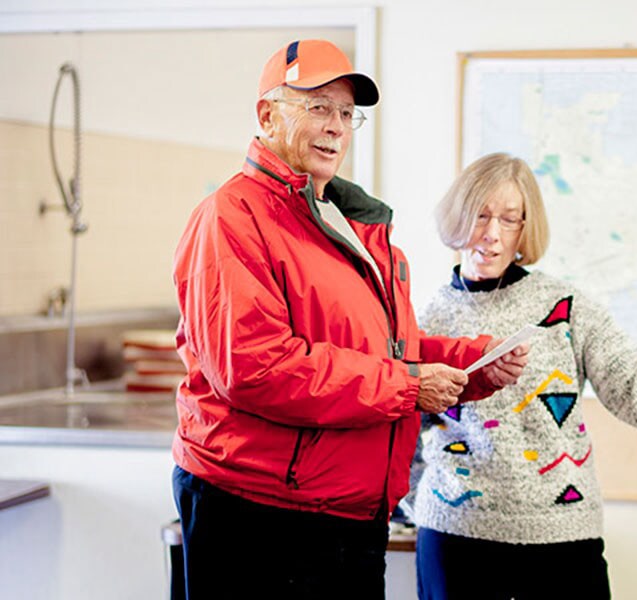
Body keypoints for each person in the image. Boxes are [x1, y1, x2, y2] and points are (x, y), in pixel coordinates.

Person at [170, 40, 527, 600]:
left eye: (345, 113)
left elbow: (383, 345)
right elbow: (256, 368)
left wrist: (473, 364)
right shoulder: (231, 217)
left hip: (348, 513)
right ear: (267, 116)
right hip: (262, 513)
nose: (336, 127)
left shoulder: (349, 220)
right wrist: (411, 386)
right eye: (317, 107)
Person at [411, 152, 637, 599]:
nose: (493, 235)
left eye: (510, 219)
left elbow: (631, 377)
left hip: (563, 538)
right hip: (456, 538)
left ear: (526, 228)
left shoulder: (563, 308)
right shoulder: (427, 318)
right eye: (481, 216)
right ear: (458, 217)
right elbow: (402, 422)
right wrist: (411, 503)